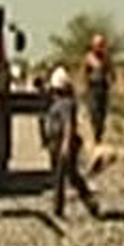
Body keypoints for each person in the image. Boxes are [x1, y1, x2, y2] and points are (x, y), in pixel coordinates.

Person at [41, 66, 93, 216]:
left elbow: (68, 125)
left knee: (60, 176)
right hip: (57, 142)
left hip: (62, 143)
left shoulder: (65, 104)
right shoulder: (60, 102)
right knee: (71, 175)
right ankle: (89, 201)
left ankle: (58, 208)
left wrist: (65, 145)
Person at [83, 33, 115, 145]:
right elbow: (85, 74)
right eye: (97, 45)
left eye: (101, 44)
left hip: (103, 88)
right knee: (94, 112)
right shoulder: (89, 58)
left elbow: (112, 72)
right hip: (92, 88)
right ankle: (95, 132)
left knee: (102, 113)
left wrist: (111, 82)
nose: (99, 47)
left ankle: (99, 133)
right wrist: (85, 88)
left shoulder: (106, 58)